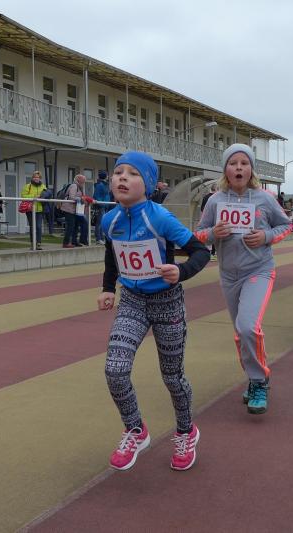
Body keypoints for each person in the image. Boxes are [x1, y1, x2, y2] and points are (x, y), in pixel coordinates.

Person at [98, 151, 209, 471]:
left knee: (172, 377)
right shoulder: (109, 220)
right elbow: (112, 254)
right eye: (118, 171)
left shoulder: (160, 218)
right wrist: (108, 288)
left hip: (167, 303)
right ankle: (135, 429)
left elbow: (200, 251)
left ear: (147, 184)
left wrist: (181, 271)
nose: (122, 177)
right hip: (132, 302)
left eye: (132, 173)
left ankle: (186, 432)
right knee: (115, 369)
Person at [196, 144, 292, 415]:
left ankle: (260, 381)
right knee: (241, 332)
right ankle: (253, 377)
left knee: (248, 326)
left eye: (244, 163)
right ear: (225, 169)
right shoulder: (215, 201)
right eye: (233, 163)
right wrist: (213, 233)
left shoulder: (265, 198)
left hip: (259, 270)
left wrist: (266, 236)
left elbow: (287, 225)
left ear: (251, 169)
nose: (239, 168)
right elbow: (199, 234)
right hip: (229, 275)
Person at [61, 174, 91, 248]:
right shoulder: (74, 186)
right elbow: (72, 197)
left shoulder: (80, 187)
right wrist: (81, 199)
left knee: (77, 225)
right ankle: (66, 242)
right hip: (69, 209)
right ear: (78, 180)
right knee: (70, 226)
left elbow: (82, 197)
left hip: (76, 210)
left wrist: (87, 200)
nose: (84, 181)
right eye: (83, 180)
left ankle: (75, 241)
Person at [21, 170, 46, 250]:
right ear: (32, 178)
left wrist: (43, 196)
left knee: (38, 227)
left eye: (38, 177)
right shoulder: (28, 186)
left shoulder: (43, 186)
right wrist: (34, 196)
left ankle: (38, 243)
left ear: (40, 178)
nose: (36, 178)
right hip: (30, 209)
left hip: (40, 210)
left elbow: (46, 194)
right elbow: (23, 196)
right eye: (35, 177)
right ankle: (33, 243)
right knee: (32, 227)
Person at [92, 170, 111, 244]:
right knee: (99, 223)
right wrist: (102, 204)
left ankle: (102, 238)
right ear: (105, 176)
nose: (108, 176)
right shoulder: (100, 185)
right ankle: (98, 239)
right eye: (107, 175)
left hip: (105, 205)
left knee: (102, 223)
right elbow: (96, 196)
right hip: (101, 206)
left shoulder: (105, 184)